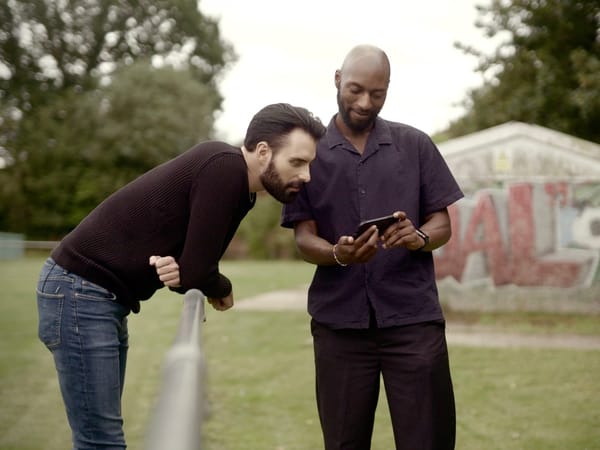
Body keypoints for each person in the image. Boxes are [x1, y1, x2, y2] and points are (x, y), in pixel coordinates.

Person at [36, 102, 326, 449]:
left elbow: (192, 267)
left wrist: (189, 270)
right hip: (79, 290)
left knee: (103, 438)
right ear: (263, 151)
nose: (306, 176)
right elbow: (198, 272)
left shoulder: (241, 187)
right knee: (101, 441)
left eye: (309, 164)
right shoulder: (225, 169)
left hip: (99, 296)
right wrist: (217, 284)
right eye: (297, 162)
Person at [280, 45, 464, 450]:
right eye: (355, 90)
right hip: (339, 327)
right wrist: (337, 254)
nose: (365, 103)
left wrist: (418, 238)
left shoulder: (415, 145)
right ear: (336, 80)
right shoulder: (307, 155)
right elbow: (303, 237)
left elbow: (442, 224)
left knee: (429, 440)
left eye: (377, 94)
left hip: (413, 322)